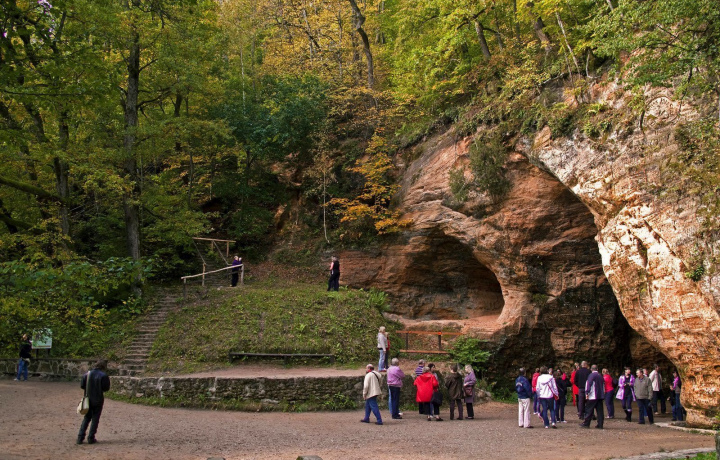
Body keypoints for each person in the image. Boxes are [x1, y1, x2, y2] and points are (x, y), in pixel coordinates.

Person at [77, 360, 111, 444]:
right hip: (98, 399)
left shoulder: (87, 374)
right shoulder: (103, 376)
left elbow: (82, 385)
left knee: (87, 417)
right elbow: (106, 388)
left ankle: (80, 437)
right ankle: (91, 437)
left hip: (88, 399)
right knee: (95, 419)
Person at [580, 365, 605, 429]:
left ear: (591, 369)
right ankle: (600, 424)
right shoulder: (600, 376)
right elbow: (603, 385)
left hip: (593, 395)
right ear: (597, 369)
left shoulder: (591, 375)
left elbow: (589, 384)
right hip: (600, 395)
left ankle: (586, 423)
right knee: (600, 411)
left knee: (589, 410)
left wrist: (587, 393)